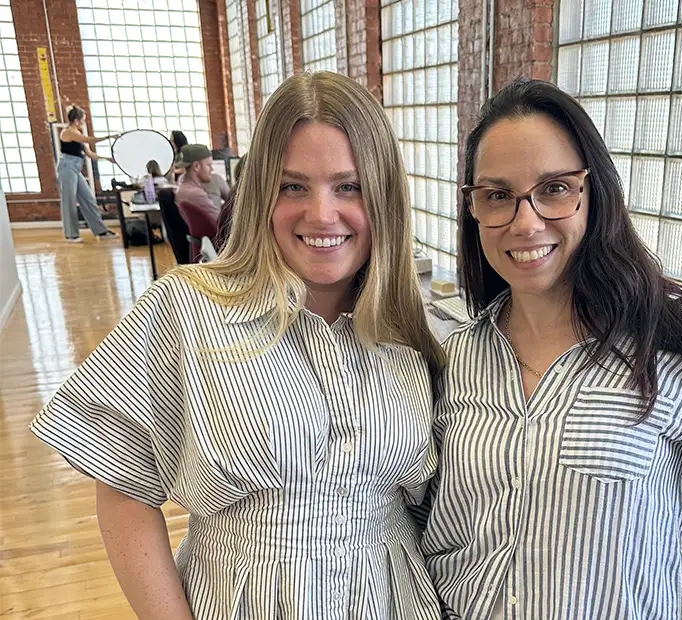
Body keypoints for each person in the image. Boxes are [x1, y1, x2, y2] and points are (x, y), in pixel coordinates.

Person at [31, 71, 444, 619]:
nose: (322, 214)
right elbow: (125, 486)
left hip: (393, 599)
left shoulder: (412, 330)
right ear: (259, 193)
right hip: (238, 595)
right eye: (292, 186)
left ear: (385, 197)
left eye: (349, 186)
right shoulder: (187, 309)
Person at [420, 78, 682, 619]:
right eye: (498, 195)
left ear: (594, 193)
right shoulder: (460, 356)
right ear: (474, 208)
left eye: (555, 188)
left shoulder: (669, 336)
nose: (526, 222)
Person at [58, 105, 119, 242]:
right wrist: (108, 137)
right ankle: (71, 235)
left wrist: (106, 158)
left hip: (75, 169)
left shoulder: (78, 134)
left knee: (88, 198)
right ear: (76, 121)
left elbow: (90, 154)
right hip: (66, 167)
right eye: (83, 119)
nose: (84, 122)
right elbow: (88, 140)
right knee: (69, 200)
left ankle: (101, 231)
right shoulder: (67, 132)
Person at [174, 144, 219, 234]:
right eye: (209, 165)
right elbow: (222, 221)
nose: (212, 169)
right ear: (196, 166)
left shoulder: (183, 184)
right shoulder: (194, 194)